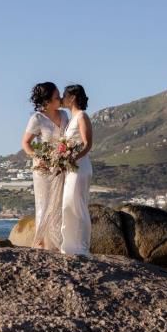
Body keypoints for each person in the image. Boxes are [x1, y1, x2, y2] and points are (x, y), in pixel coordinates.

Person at [21, 82, 68, 250]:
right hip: (43, 169)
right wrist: (37, 157)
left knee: (59, 205)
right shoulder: (37, 119)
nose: (61, 99)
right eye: (57, 97)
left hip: (61, 166)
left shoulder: (64, 115)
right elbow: (26, 143)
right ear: (47, 101)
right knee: (44, 204)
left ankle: (56, 243)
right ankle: (40, 242)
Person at [59, 84, 93, 256]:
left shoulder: (82, 116)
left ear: (72, 98)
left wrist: (73, 158)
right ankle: (69, 246)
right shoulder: (71, 119)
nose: (62, 99)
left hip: (80, 167)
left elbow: (87, 144)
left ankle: (81, 246)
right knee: (67, 204)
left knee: (77, 204)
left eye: (64, 95)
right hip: (70, 168)